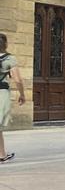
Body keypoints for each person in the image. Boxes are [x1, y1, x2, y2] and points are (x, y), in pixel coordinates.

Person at [0, 33, 25, 162]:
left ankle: (2, 154)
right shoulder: (10, 59)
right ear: (5, 44)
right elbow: (18, 79)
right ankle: (2, 155)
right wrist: (22, 94)